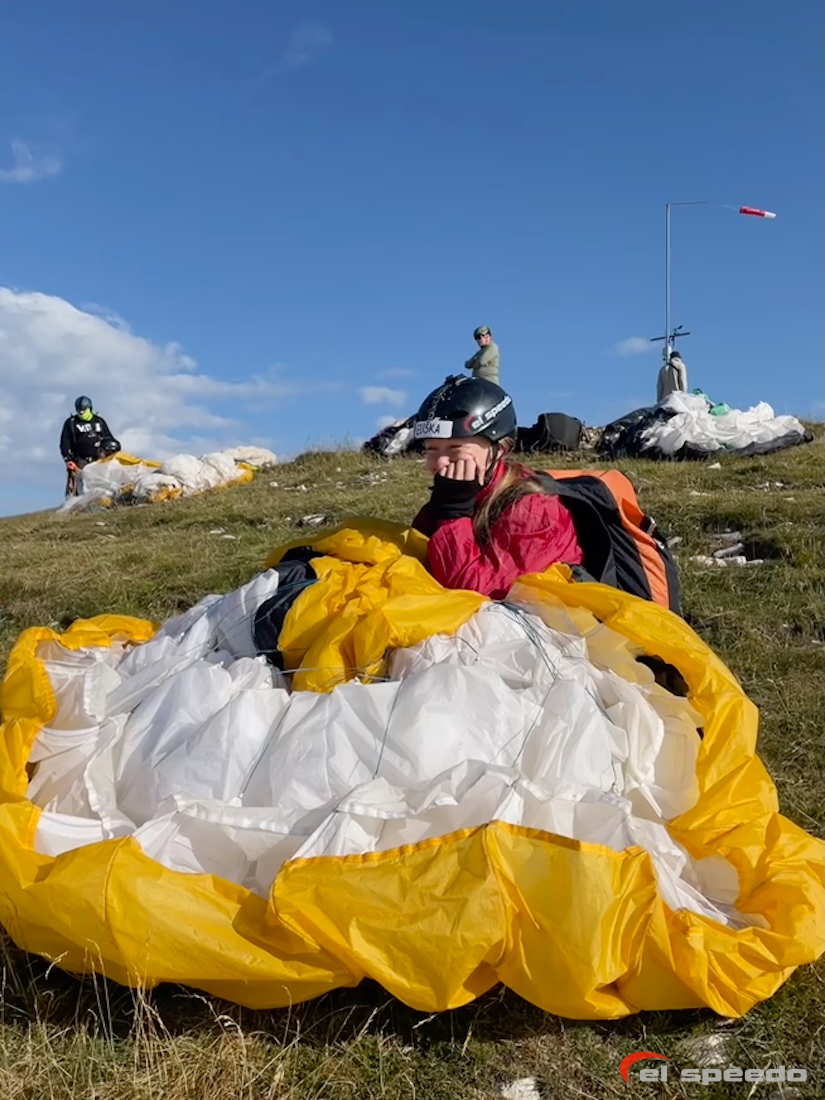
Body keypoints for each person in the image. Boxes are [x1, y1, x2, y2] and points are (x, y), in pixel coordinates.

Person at [411, 375, 582, 599]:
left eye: (455, 448)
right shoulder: (456, 494)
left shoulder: (534, 510)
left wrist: (452, 516)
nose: (441, 462)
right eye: (431, 449)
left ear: (499, 449)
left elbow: (478, 598)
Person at [60, 396, 121, 495]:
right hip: (80, 460)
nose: (81, 413)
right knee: (82, 483)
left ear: (90, 409)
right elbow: (65, 442)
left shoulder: (99, 422)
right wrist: (68, 460)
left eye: (84, 410)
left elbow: (108, 437)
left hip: (100, 458)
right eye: (79, 410)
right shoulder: (71, 423)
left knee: (103, 481)